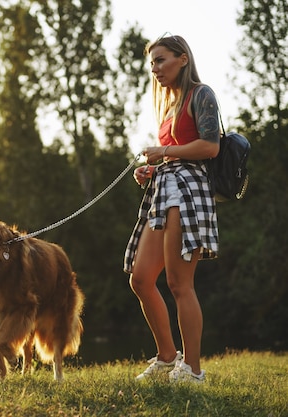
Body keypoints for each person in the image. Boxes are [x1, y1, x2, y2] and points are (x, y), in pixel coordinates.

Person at [123, 34, 220, 383]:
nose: (155, 69)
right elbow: (174, 152)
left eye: (161, 60)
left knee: (180, 283)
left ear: (182, 59)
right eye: (152, 63)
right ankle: (167, 356)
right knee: (141, 277)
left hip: (189, 192)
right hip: (165, 189)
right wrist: (150, 170)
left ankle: (193, 370)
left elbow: (210, 147)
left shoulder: (201, 94)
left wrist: (164, 153)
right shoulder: (168, 104)